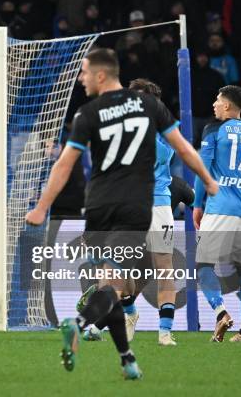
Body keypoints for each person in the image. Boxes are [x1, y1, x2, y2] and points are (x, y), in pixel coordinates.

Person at [25, 48, 218, 380]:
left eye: (84, 72)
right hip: (135, 204)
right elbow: (185, 149)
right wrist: (208, 181)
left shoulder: (88, 114)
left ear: (101, 75)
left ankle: (127, 357)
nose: (81, 79)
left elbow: (65, 163)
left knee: (114, 281)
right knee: (116, 284)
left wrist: (42, 206)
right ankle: (84, 322)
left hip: (99, 204)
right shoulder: (150, 111)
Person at [82, 79, 195, 347]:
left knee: (164, 269)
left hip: (157, 206)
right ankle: (113, 318)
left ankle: (165, 332)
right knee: (116, 271)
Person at [194, 85, 241, 343]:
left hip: (219, 207)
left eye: (217, 99)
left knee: (203, 264)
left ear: (226, 106)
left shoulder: (213, 129)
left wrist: (196, 204)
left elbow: (202, 168)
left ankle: (220, 312)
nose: (214, 103)